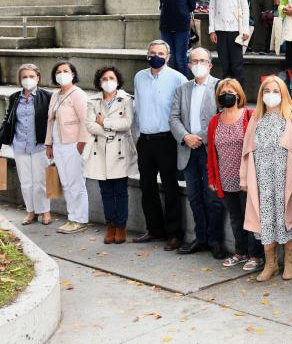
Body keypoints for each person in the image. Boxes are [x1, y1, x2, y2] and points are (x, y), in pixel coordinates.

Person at [241, 76, 292, 282]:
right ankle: (271, 264)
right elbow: (246, 150)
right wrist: (244, 178)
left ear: (284, 93)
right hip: (261, 179)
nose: (271, 95)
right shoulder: (256, 118)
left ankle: (290, 262)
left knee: (288, 218)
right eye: (266, 91)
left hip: (286, 179)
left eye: (275, 91)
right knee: (265, 219)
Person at [169, 48, 225, 259]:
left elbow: (222, 116)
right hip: (187, 150)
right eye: (194, 61)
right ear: (189, 65)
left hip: (210, 150)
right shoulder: (182, 89)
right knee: (194, 197)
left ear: (210, 64)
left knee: (213, 199)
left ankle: (215, 240)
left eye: (203, 60)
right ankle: (200, 238)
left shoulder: (219, 86)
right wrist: (185, 137)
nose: (198, 64)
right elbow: (173, 117)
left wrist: (199, 137)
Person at [132, 40, 188, 250]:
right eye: (152, 52)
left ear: (168, 56)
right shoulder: (139, 77)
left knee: (170, 186)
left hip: (167, 140)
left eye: (161, 53)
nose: (156, 56)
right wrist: (139, 133)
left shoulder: (177, 78)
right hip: (145, 140)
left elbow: (181, 110)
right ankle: (154, 228)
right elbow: (137, 106)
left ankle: (174, 234)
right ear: (147, 54)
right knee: (147, 187)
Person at [207, 79, 262, 272]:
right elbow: (212, 154)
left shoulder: (250, 116)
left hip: (247, 179)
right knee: (235, 217)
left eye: (230, 91)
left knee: (252, 217)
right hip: (225, 178)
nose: (227, 95)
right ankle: (240, 252)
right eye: (223, 92)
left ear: (238, 94)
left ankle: (256, 255)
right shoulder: (215, 121)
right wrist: (213, 179)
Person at [84, 66, 137, 245]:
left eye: (111, 78)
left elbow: (127, 123)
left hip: (120, 151)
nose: (108, 82)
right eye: (104, 79)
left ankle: (121, 226)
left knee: (121, 191)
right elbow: (90, 125)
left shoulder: (126, 99)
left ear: (117, 80)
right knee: (106, 192)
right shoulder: (92, 101)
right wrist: (110, 131)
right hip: (99, 151)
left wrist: (105, 122)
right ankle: (110, 226)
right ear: (99, 82)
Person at [3, 64, 52, 226]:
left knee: (41, 181)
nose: (28, 80)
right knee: (26, 182)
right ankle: (31, 212)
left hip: (39, 145)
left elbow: (52, 121)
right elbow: (8, 119)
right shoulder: (15, 97)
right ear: (20, 79)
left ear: (38, 78)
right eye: (24, 77)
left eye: (31, 76)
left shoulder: (47, 96)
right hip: (19, 144)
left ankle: (45, 212)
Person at [45, 61, 90, 234]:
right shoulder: (55, 95)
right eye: (58, 71)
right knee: (66, 183)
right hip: (58, 144)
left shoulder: (78, 94)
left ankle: (80, 220)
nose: (61, 73)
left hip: (74, 145)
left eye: (65, 71)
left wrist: (81, 143)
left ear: (73, 74)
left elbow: (85, 120)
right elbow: (51, 121)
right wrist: (48, 143)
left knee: (76, 183)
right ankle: (72, 217)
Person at [208, 0, 251, 84]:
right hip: (220, 30)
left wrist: (245, 29)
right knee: (224, 65)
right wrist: (212, 30)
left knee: (237, 66)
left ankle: (240, 96)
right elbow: (212, 8)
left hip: (236, 30)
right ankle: (226, 95)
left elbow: (245, 8)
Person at [159, 0, 197, 78]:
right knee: (170, 59)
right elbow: (162, 4)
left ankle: (184, 85)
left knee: (180, 59)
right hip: (166, 26)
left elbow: (192, 5)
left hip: (181, 26)